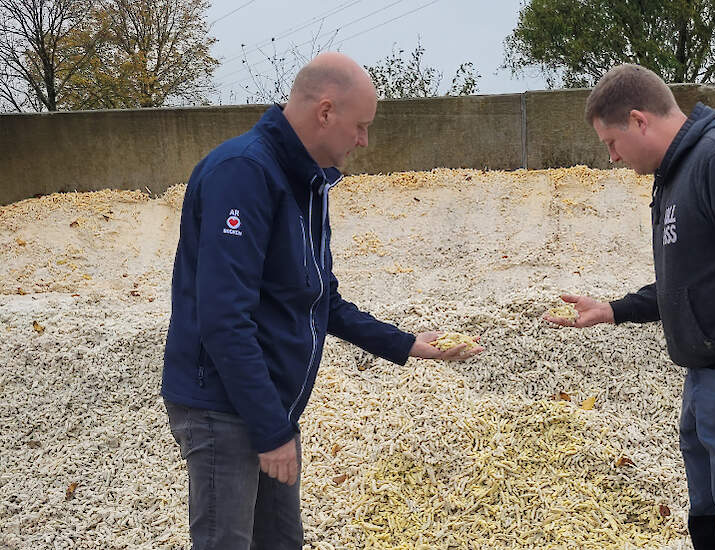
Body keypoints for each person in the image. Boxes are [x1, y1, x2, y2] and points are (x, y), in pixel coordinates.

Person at [160, 52, 483, 549]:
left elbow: (320, 299)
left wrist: (408, 344)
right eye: (360, 126)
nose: (363, 140)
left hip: (270, 405)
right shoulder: (243, 173)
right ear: (326, 111)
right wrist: (270, 431)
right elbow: (224, 318)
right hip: (224, 406)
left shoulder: (308, 182)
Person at [543, 64, 715, 550]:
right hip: (707, 378)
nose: (611, 157)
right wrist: (612, 309)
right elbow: (690, 283)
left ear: (639, 121)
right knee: (708, 523)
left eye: (611, 142)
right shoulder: (674, 176)